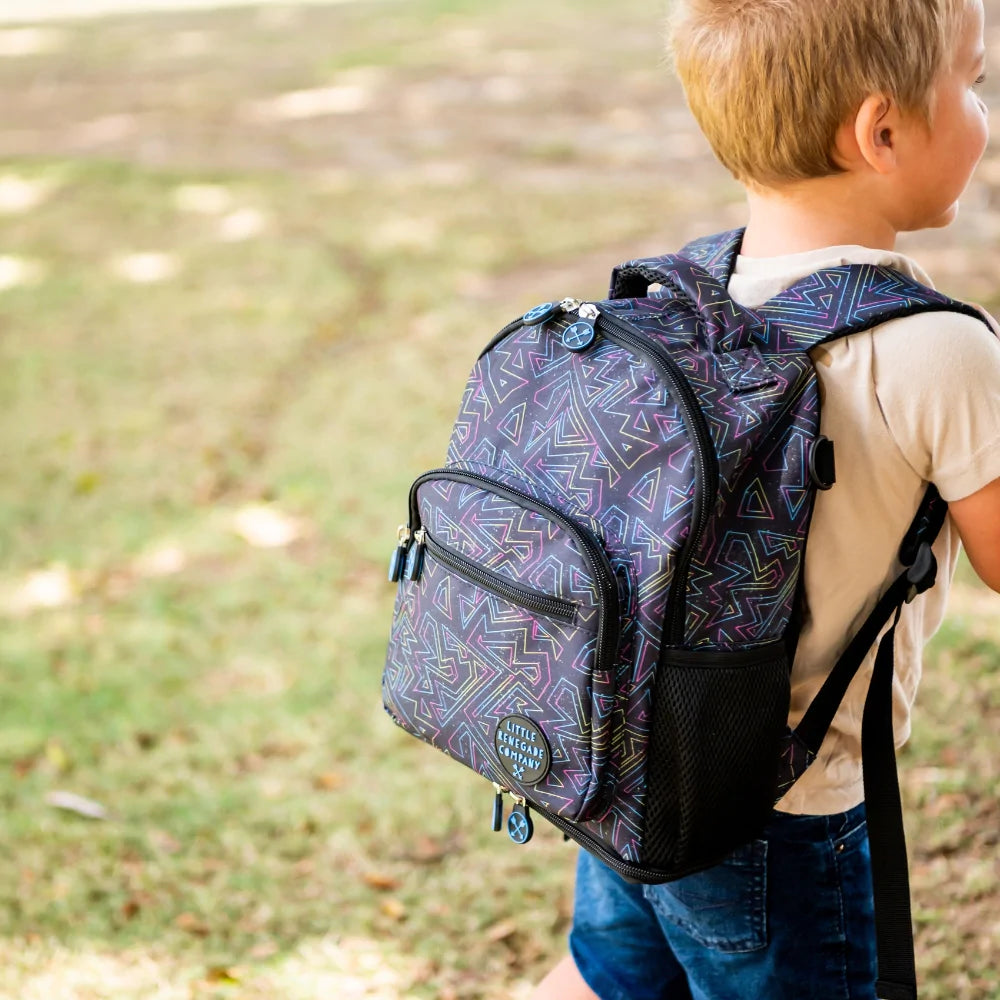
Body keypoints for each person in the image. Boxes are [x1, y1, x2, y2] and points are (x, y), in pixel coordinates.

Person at [530, 1, 1000, 997]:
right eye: (975, 79)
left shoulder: (678, 296)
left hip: (632, 768)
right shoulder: (940, 349)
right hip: (786, 816)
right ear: (881, 132)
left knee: (615, 981)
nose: (982, 105)